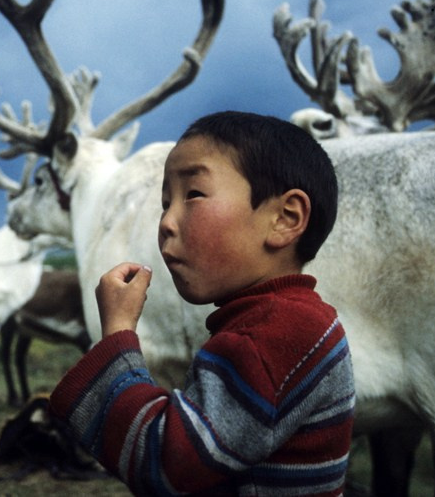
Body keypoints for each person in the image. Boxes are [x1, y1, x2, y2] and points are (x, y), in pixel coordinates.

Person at [49, 111, 355, 495]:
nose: (165, 222)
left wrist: (116, 337)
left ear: (284, 218)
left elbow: (165, 463)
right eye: (165, 202)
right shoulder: (298, 320)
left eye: (193, 194)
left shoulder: (273, 334)